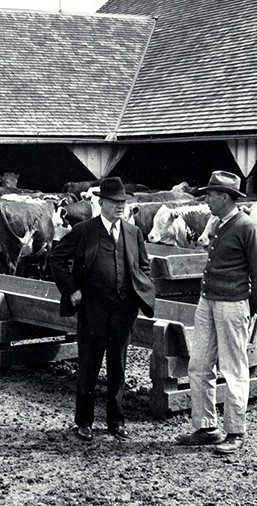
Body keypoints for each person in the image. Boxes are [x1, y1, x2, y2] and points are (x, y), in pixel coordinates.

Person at [50, 177, 155, 441]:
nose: (120, 206)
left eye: (123, 202)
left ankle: (116, 421)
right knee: (89, 365)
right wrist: (71, 289)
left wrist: (139, 295)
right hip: (93, 308)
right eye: (115, 202)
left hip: (123, 310)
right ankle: (84, 422)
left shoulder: (134, 233)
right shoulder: (85, 230)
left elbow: (143, 267)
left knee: (118, 366)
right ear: (102, 202)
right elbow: (57, 258)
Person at [175, 170, 257, 454]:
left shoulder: (247, 227)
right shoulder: (217, 223)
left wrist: (247, 308)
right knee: (199, 364)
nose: (206, 200)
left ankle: (235, 431)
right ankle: (206, 427)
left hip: (233, 304)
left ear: (226, 198)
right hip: (208, 301)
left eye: (211, 195)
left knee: (233, 369)